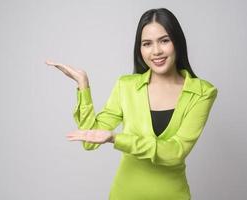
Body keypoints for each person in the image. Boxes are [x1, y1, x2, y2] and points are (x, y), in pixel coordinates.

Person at [46, 7, 218, 200]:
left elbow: (175, 152)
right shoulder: (126, 86)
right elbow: (89, 140)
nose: (156, 51)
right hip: (125, 193)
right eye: (147, 43)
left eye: (164, 40)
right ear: (140, 48)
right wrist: (83, 87)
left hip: (172, 195)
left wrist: (116, 139)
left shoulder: (202, 92)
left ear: (177, 42)